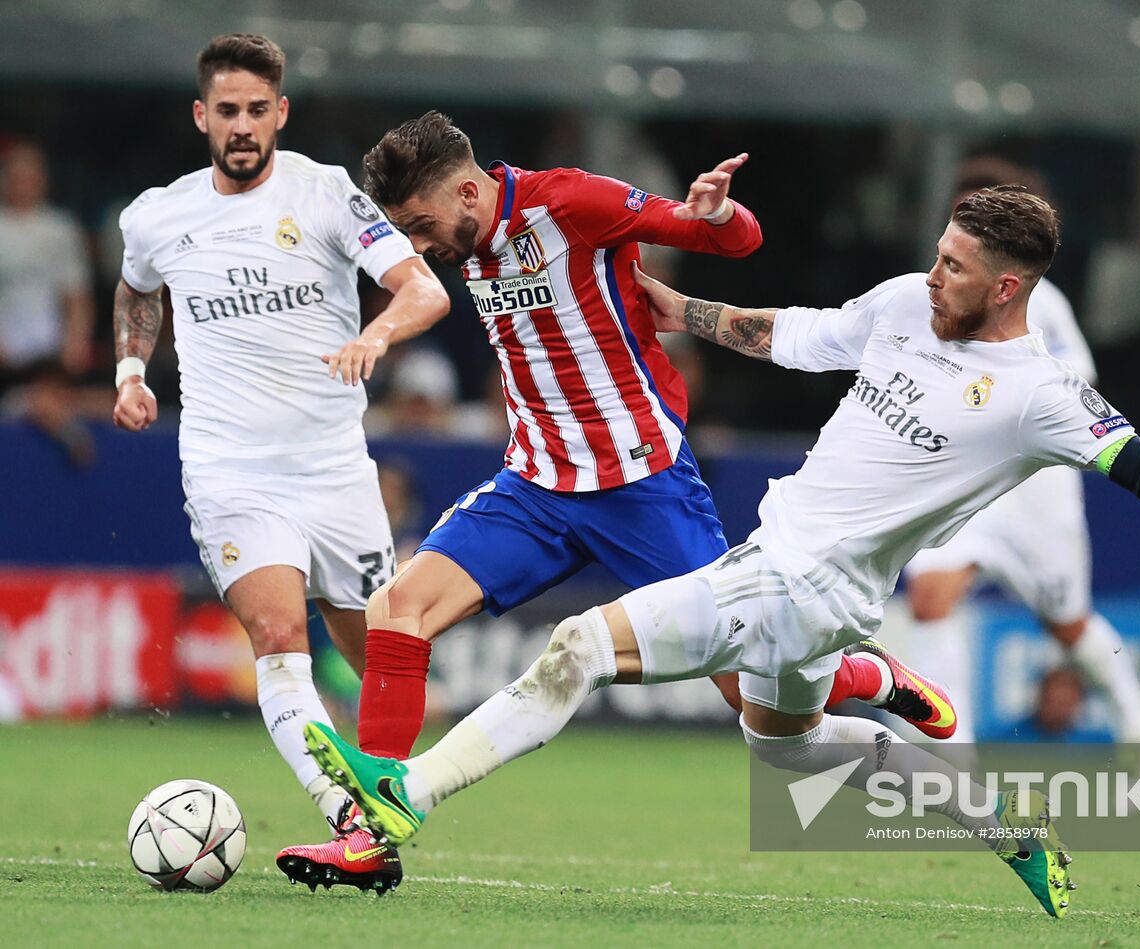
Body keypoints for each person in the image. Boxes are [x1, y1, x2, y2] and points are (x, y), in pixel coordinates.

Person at [304, 186, 1140, 918]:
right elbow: (791, 333)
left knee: (579, 644)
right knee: (780, 750)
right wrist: (673, 305)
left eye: (956, 264)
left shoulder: (1042, 396)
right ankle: (1008, 828)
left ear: (1006, 287)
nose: (933, 272)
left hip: (796, 584)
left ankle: (407, 795)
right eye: (937, 251)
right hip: (803, 580)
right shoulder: (902, 305)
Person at [279, 111, 950, 885]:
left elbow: (735, 241)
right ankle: (373, 833)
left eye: (423, 226)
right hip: (535, 484)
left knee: (756, 697)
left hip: (642, 486)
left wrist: (715, 212)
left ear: (468, 191)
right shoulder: (462, 238)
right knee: (398, 609)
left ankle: (867, 676)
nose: (420, 247)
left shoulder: (569, 203)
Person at [112, 34, 450, 894]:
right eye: (227, 111)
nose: (242, 126)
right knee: (276, 636)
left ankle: (378, 807)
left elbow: (426, 288)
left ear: (280, 113)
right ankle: (348, 821)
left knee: (380, 658)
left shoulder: (328, 194)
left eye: (258, 110)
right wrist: (129, 371)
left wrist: (374, 332)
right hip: (232, 471)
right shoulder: (160, 214)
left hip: (336, 470)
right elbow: (136, 285)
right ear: (202, 116)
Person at [902, 160, 1140, 748]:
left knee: (1066, 623)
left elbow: (1077, 385)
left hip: (1030, 486)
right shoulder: (923, 295)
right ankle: (950, 753)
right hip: (957, 475)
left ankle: (1136, 717)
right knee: (930, 596)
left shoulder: (1043, 304)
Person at [0, 142, 95, 389]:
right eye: (17, 177)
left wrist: (76, 340)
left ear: (43, 180)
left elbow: (76, 293)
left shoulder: (60, 229)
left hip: (49, 353)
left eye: (30, 177)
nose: (23, 184)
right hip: (6, 350)